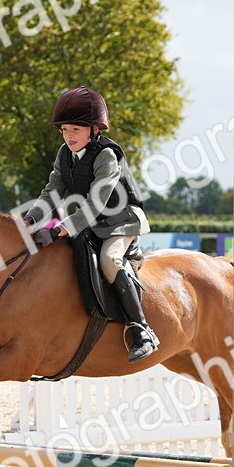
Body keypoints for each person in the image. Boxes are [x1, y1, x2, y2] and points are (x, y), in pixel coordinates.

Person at [22, 86, 158, 363]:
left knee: (109, 260)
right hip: (92, 223)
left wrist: (59, 229)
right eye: (64, 130)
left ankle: (142, 330)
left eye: (75, 129)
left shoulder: (106, 155)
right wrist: (31, 219)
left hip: (121, 221)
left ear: (94, 130)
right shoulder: (65, 153)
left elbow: (96, 203)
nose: (69, 136)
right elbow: (51, 192)